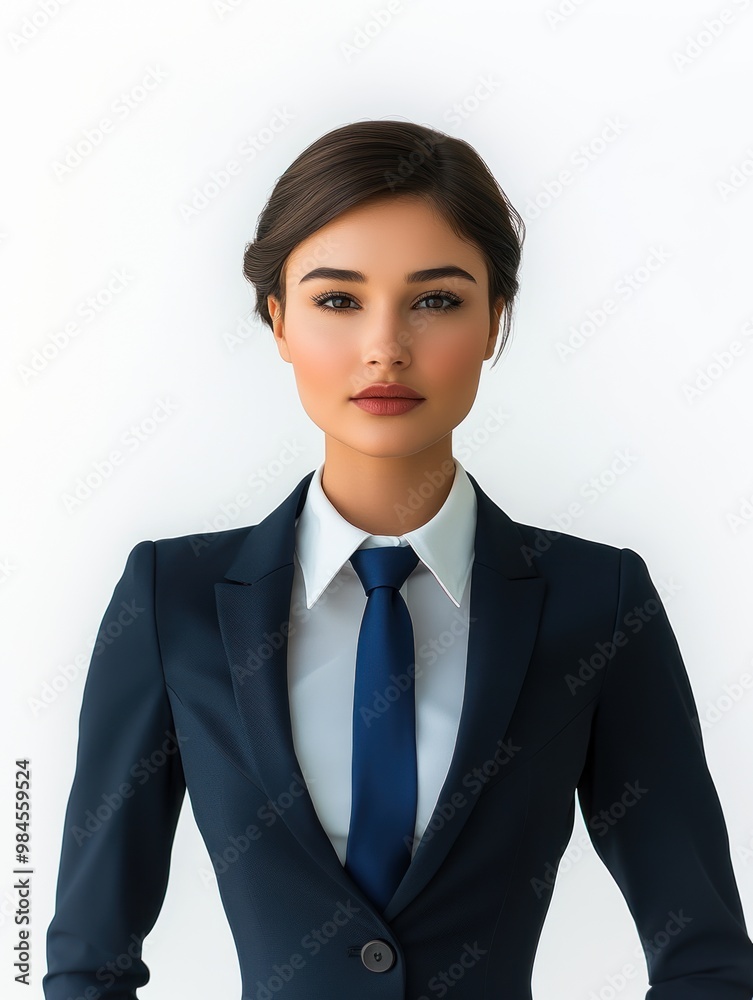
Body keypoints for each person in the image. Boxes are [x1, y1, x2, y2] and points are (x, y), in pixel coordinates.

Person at [44, 119, 753, 999]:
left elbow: (705, 958)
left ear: (496, 319)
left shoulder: (595, 603)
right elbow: (86, 963)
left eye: (436, 300)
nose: (385, 346)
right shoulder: (172, 599)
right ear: (277, 320)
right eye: (337, 300)